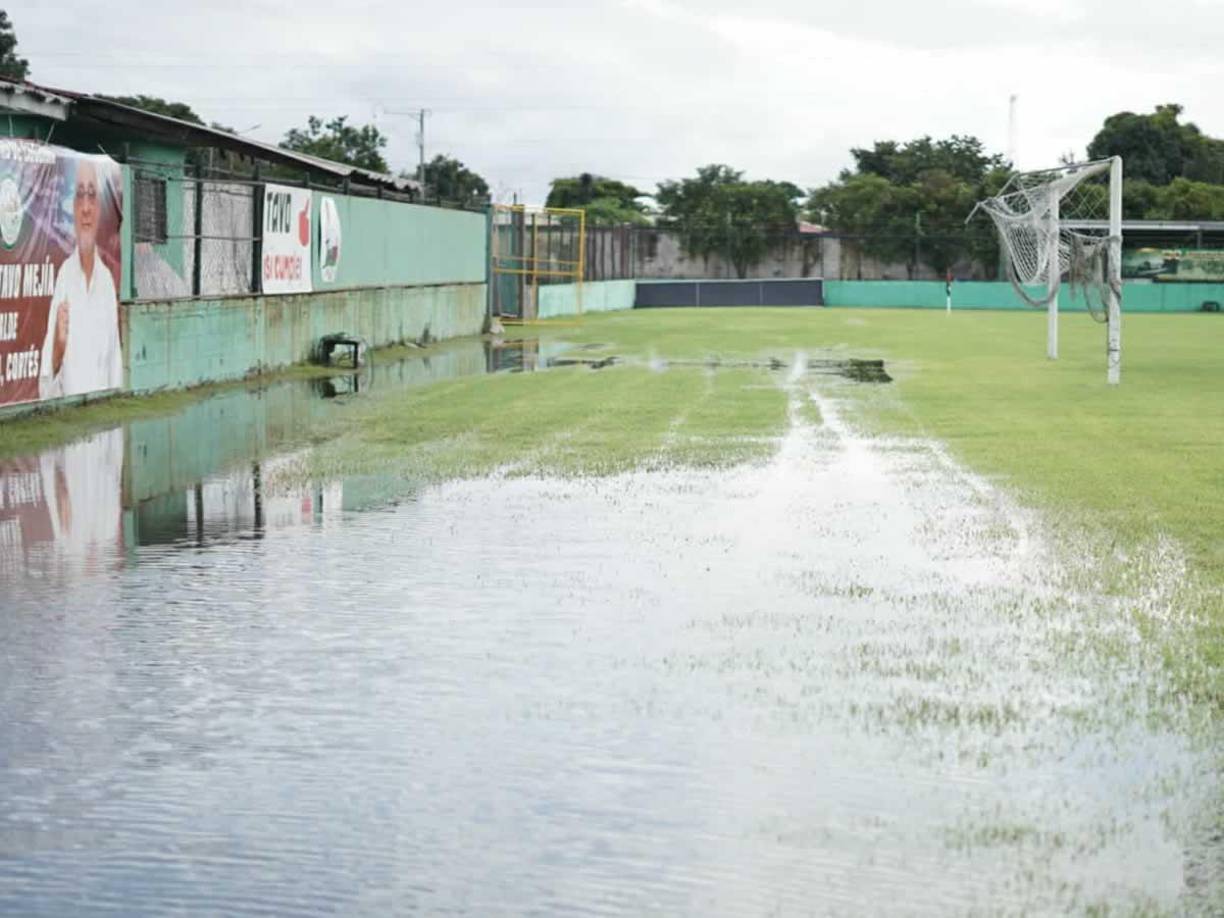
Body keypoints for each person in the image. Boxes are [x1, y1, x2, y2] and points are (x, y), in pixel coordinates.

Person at [39, 159, 122, 400]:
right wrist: (57, 350)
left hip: (102, 424)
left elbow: (115, 372)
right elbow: (45, 391)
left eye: (92, 195)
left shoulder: (106, 283)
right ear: (73, 208)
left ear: (99, 209)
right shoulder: (65, 278)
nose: (86, 207)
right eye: (80, 196)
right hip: (71, 429)